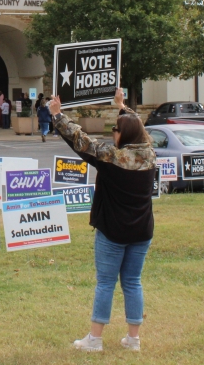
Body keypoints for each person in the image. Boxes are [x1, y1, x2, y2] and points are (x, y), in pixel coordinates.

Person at [49, 88, 154, 353]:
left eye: (115, 130)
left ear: (122, 135)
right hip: (142, 230)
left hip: (112, 230)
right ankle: (133, 340)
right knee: (133, 282)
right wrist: (122, 107)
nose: (113, 133)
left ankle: (95, 339)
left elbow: (81, 141)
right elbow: (137, 129)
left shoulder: (111, 158)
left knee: (106, 283)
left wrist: (58, 115)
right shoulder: (149, 155)